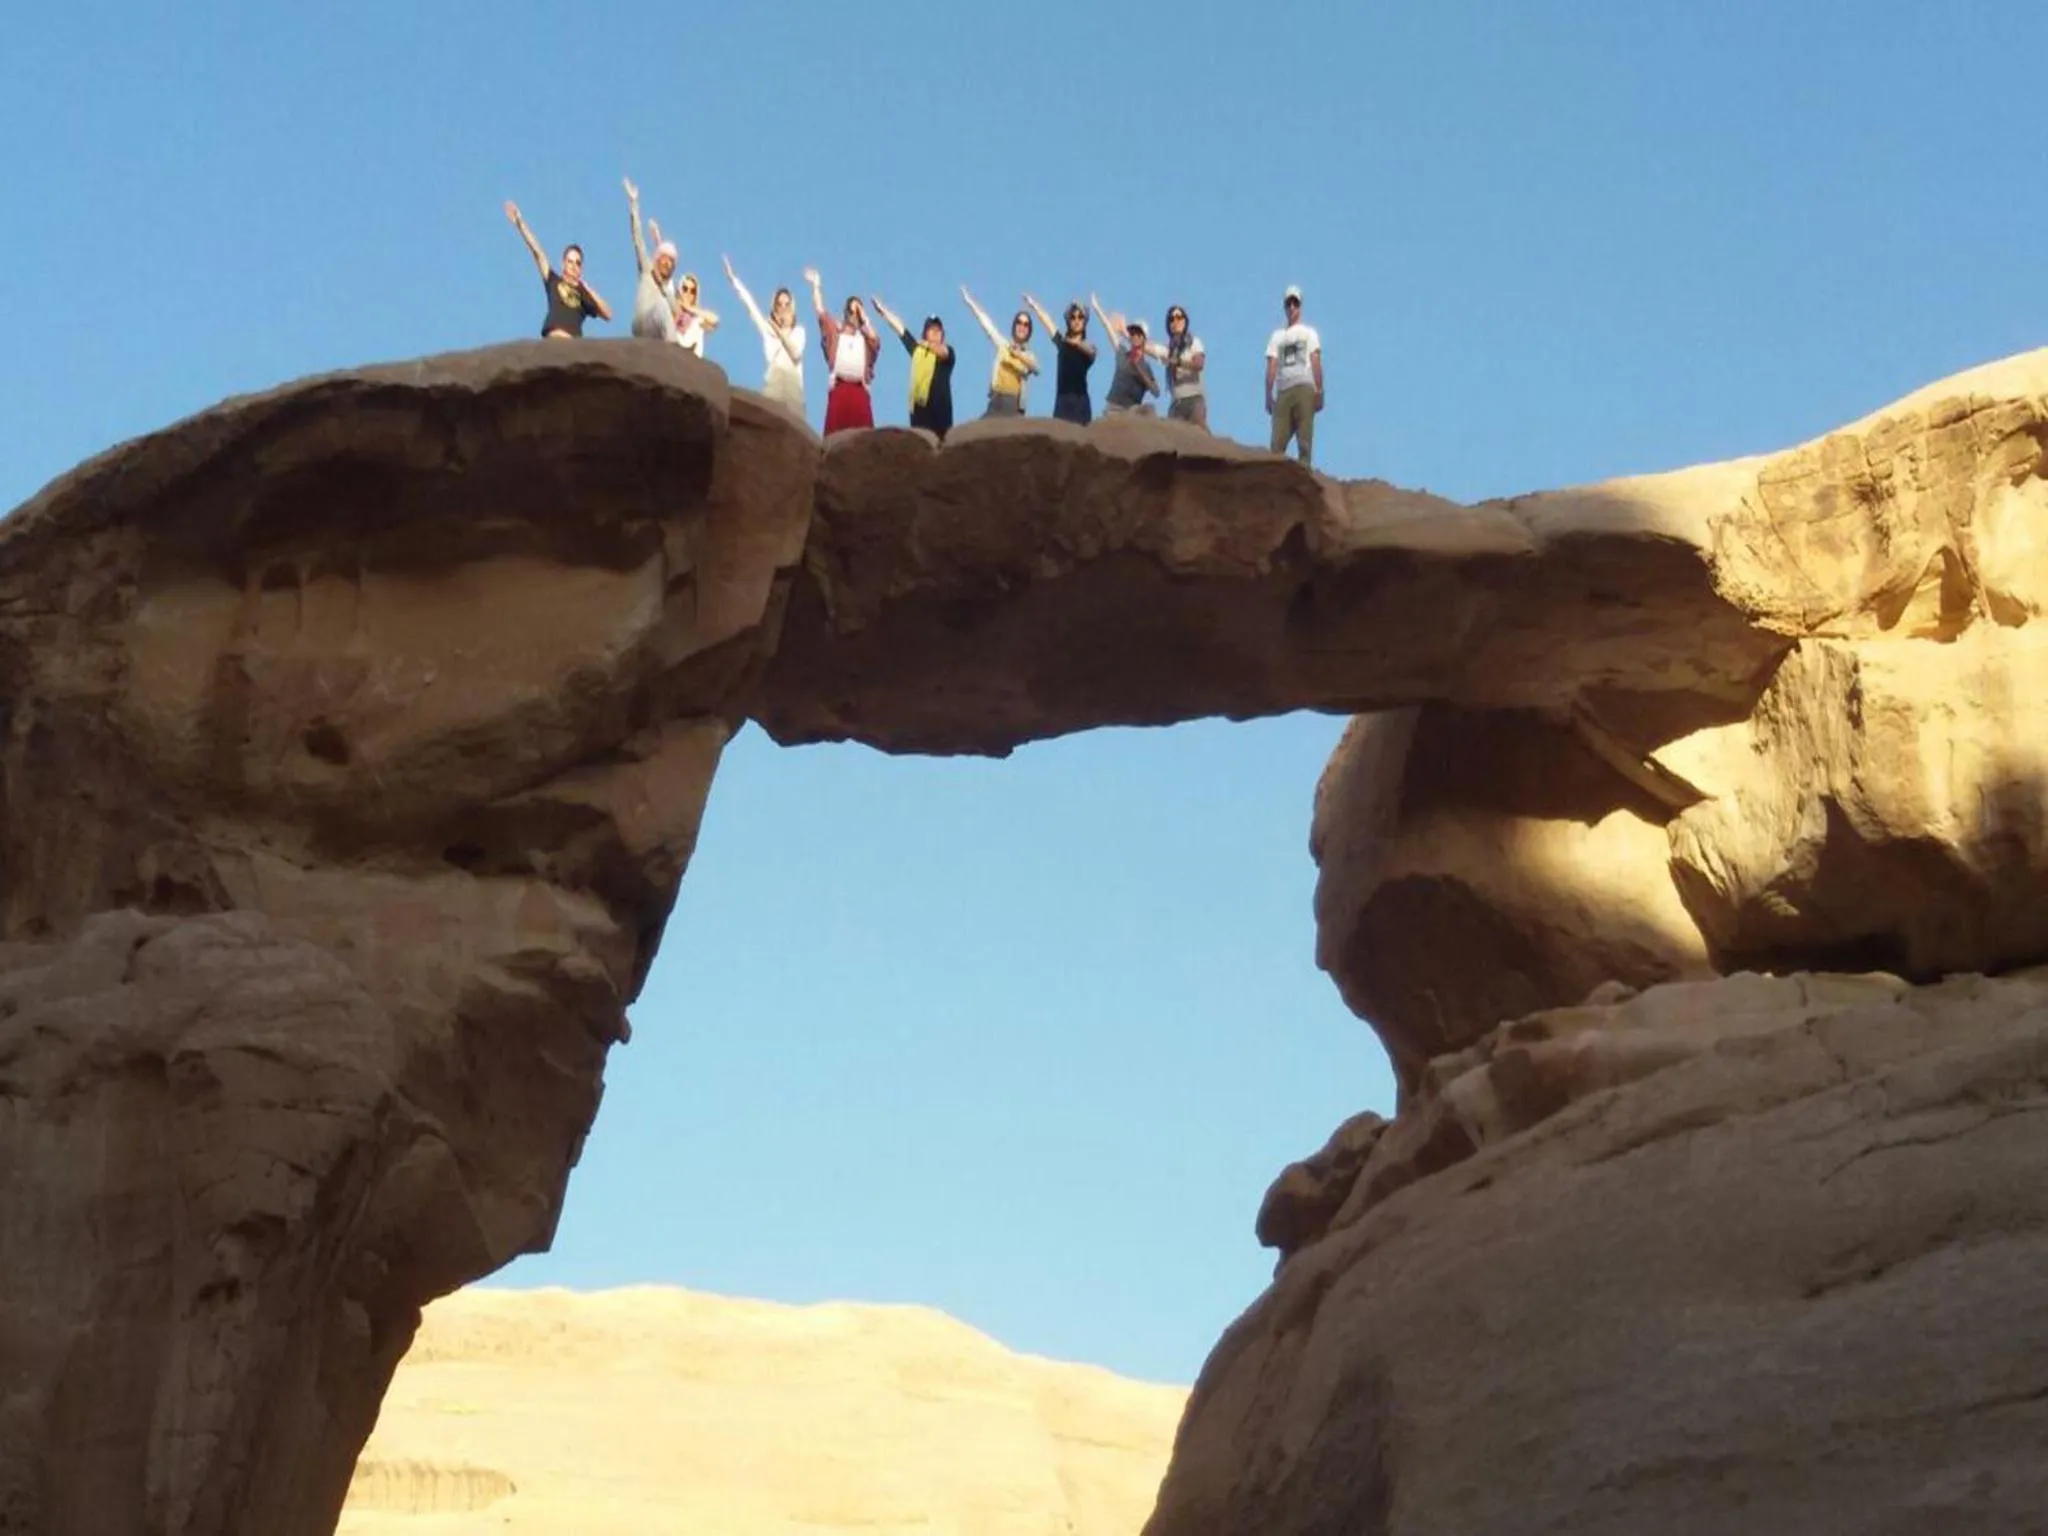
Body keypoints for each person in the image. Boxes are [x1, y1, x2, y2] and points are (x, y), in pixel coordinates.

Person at [503, 201, 612, 338]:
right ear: (563, 264)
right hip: (553, 340)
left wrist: (589, 290)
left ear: (581, 268)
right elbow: (538, 252)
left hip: (573, 344)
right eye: (570, 261)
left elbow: (608, 314)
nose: (573, 265)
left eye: (577, 263)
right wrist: (520, 223)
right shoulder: (553, 280)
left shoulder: (584, 294)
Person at [724, 255, 807, 417]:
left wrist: (778, 331)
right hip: (773, 388)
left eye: (787, 304)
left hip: (793, 392)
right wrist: (734, 280)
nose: (783, 308)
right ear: (774, 308)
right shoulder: (768, 330)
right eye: (779, 304)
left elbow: (795, 353)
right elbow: (750, 306)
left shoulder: (799, 331)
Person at [807, 268, 882, 436]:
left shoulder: (865, 340)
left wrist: (864, 318)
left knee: (863, 440)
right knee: (835, 438)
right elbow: (821, 312)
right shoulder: (836, 334)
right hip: (839, 390)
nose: (854, 315)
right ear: (845, 312)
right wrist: (816, 285)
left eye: (858, 312)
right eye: (852, 311)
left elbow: (876, 341)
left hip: (860, 392)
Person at [872, 298, 957, 439]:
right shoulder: (918, 351)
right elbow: (900, 329)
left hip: (941, 416)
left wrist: (927, 344)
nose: (935, 333)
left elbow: (944, 353)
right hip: (919, 413)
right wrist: (883, 312)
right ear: (925, 333)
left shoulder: (947, 352)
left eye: (938, 330)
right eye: (931, 330)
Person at [1265, 284, 1324, 465]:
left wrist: (1319, 389)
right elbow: (1271, 365)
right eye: (1288, 303)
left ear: (1300, 306)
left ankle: (1304, 479)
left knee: (1304, 440)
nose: (1291, 307)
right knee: (1276, 444)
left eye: (1295, 303)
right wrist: (1268, 394)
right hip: (1283, 390)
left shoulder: (1309, 333)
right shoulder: (1277, 336)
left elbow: (1315, 360)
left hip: (1304, 388)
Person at [960, 287, 1039, 417]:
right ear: (1014, 326)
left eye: (1026, 325)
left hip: (1012, 402)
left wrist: (1017, 354)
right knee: (980, 432)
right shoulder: (1004, 345)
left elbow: (1036, 368)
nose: (1022, 327)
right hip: (995, 400)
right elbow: (987, 325)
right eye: (1019, 322)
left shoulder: (1029, 355)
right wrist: (970, 302)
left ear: (1029, 330)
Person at [623, 177, 681, 342]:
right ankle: (675, 351)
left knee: (665, 307)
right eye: (664, 259)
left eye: (671, 262)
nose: (667, 263)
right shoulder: (647, 268)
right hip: (642, 321)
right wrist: (634, 204)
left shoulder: (668, 290)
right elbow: (637, 238)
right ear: (657, 258)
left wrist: (664, 288)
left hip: (656, 327)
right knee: (662, 307)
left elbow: (677, 312)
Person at [1024, 295, 1096, 424]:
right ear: (1068, 320)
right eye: (1073, 317)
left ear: (1085, 322)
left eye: (1080, 317)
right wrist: (1034, 305)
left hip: (1080, 403)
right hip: (1062, 402)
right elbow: (1048, 322)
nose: (1076, 320)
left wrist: (1074, 343)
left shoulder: (1087, 347)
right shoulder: (1062, 343)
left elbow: (1091, 352)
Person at [1091, 296, 1162, 416]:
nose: (1134, 336)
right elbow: (1108, 328)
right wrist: (1097, 308)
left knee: (1150, 410)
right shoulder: (1122, 353)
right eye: (1132, 333)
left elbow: (1156, 392)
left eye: (1138, 334)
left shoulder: (1146, 366)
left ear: (1144, 339)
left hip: (1131, 411)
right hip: (1113, 409)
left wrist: (1141, 373)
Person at [1161, 305, 1208, 428]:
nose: (1175, 322)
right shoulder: (1169, 349)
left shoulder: (1194, 342)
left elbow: (1199, 364)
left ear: (1185, 320)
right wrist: (1125, 334)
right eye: (1171, 319)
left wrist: (1179, 362)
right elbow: (1149, 347)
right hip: (1177, 402)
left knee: (1199, 434)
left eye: (1179, 317)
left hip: (1194, 400)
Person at [666, 264, 720, 358]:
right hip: (671, 347)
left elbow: (715, 320)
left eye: (692, 291)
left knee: (698, 324)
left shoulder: (696, 318)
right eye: (685, 289)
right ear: (680, 290)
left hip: (689, 352)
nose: (688, 293)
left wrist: (690, 309)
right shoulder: (672, 307)